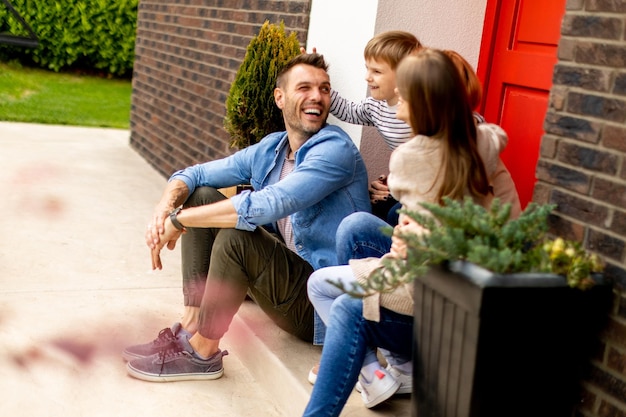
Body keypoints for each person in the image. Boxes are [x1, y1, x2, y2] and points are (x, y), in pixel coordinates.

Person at [122, 53, 371, 382]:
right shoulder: (272, 149)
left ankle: (204, 353)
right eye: (305, 87)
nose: (317, 97)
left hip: (322, 305)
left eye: (324, 89)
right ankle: (192, 323)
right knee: (203, 196)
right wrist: (165, 209)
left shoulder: (335, 151)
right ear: (280, 97)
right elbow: (195, 175)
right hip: (288, 278)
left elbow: (270, 203)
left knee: (237, 235)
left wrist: (180, 221)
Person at [302, 49, 507, 416]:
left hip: (435, 289)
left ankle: (370, 372)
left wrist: (413, 239)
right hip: (450, 275)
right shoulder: (482, 140)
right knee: (358, 226)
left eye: (405, 93)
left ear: (424, 102)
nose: (396, 98)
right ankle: (398, 367)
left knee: (337, 298)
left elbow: (418, 243)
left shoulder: (413, 158)